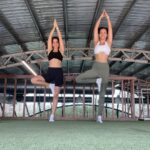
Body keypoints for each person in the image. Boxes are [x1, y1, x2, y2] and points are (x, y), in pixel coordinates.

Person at [76, 10, 112, 123]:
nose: (102, 34)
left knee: (102, 94)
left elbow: (110, 29)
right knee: (78, 79)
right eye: (101, 32)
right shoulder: (96, 42)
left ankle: (99, 116)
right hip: (95, 67)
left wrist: (108, 19)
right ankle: (97, 80)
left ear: (106, 35)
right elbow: (94, 30)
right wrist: (101, 17)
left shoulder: (109, 43)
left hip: (105, 68)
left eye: (104, 33)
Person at [31, 19, 64, 122]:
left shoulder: (61, 51)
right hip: (50, 72)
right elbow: (49, 38)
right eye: (53, 42)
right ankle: (49, 85)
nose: (54, 43)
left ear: (58, 44)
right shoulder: (49, 51)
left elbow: (61, 39)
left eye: (56, 42)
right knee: (33, 80)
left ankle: (52, 115)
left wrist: (57, 28)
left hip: (58, 73)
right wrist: (53, 28)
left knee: (55, 96)